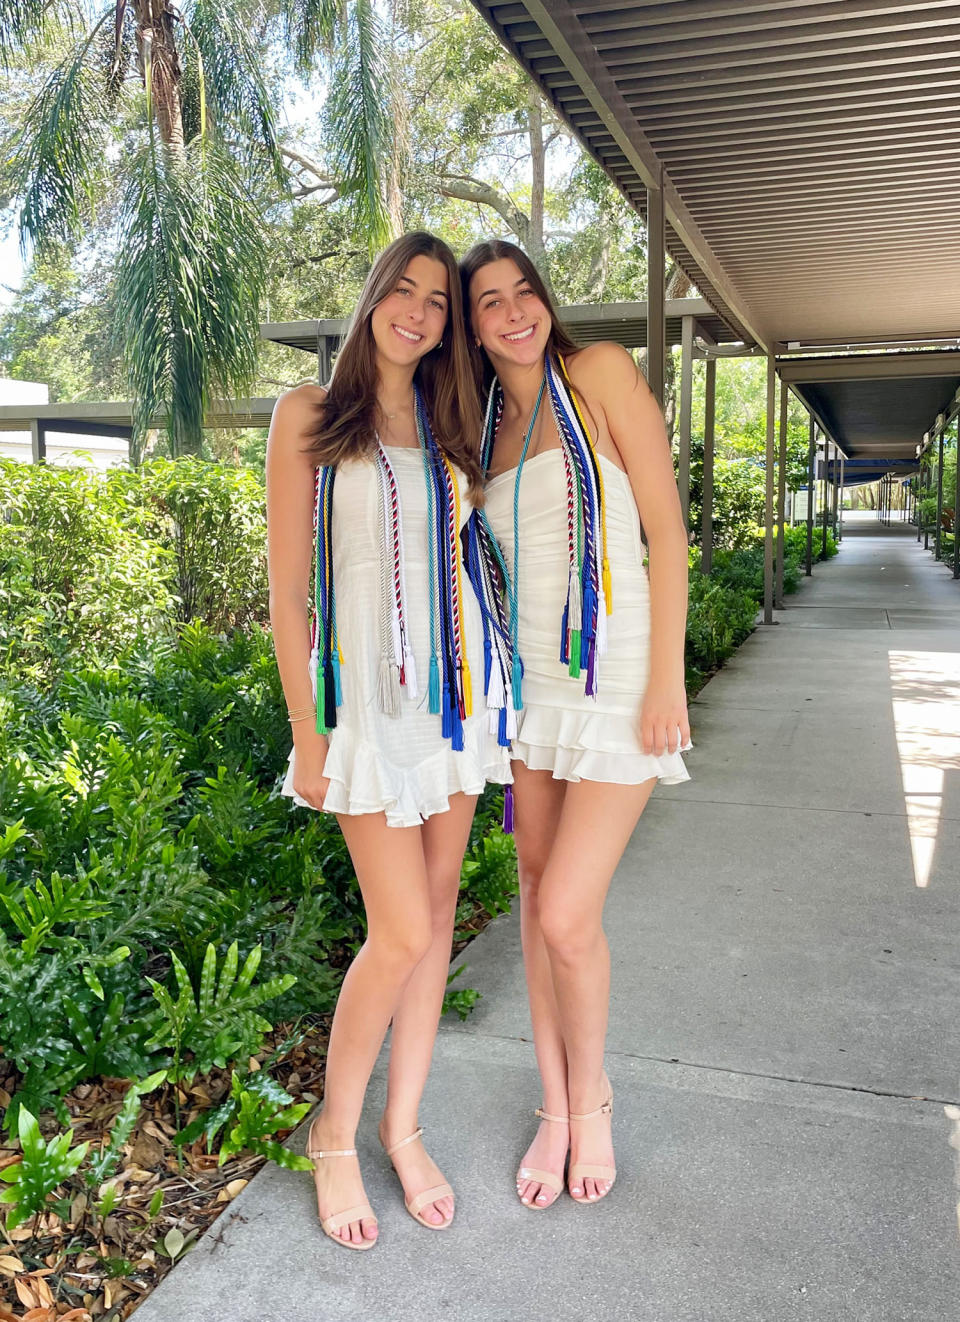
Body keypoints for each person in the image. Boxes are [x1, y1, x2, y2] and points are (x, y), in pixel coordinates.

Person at [266, 232, 511, 1251]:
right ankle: (334, 1131)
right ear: (372, 300)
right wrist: (307, 730)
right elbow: (287, 594)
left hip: (457, 694)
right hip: (361, 701)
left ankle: (400, 1125)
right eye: (403, 291)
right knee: (400, 929)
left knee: (438, 911)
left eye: (438, 302)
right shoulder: (308, 414)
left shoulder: (457, 420)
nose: (418, 310)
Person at [460, 239, 691, 1210]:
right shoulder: (478, 432)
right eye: (489, 302)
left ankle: (592, 1096)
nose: (514, 311)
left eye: (524, 292)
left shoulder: (593, 376)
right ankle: (553, 1105)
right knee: (530, 892)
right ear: (470, 327)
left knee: (566, 911)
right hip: (534, 690)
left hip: (624, 673)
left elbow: (666, 529)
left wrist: (666, 678)